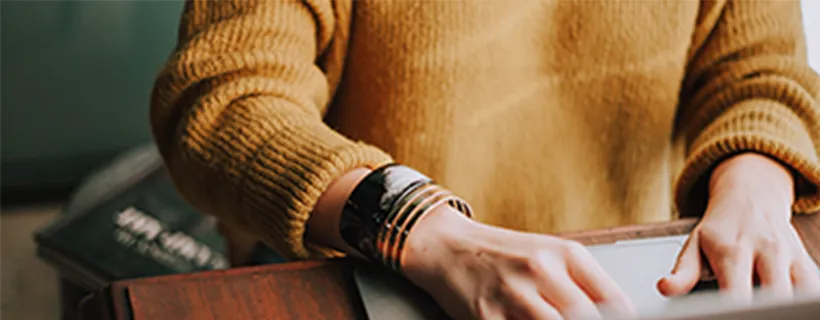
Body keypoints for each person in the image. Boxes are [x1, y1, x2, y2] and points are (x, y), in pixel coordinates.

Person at [150, 0, 820, 319]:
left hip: (625, 278)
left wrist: (755, 187)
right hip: (374, 269)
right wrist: (424, 228)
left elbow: (760, 71)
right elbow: (224, 101)